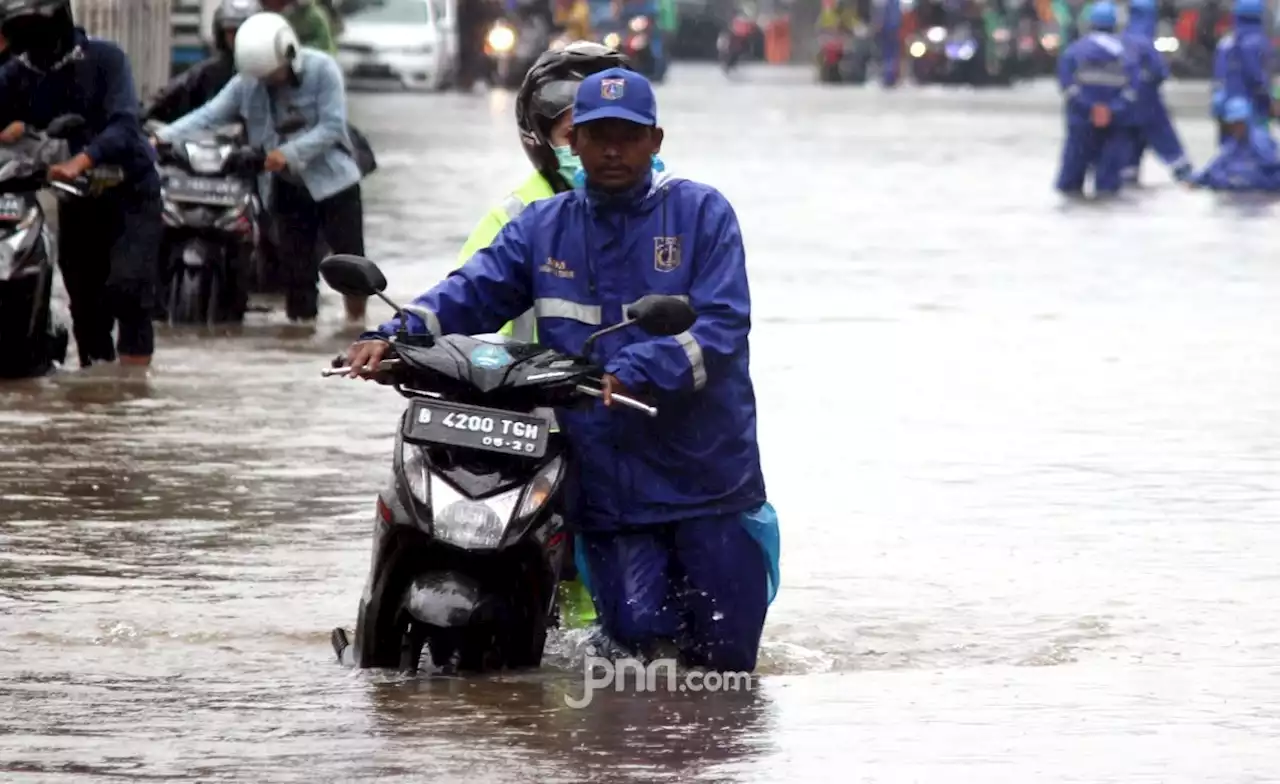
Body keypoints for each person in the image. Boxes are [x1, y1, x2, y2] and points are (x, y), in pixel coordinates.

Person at [343, 68, 780, 673]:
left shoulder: (702, 215)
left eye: (626, 136)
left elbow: (723, 327)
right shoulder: (541, 227)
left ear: (655, 141)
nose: (610, 150)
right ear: (571, 142)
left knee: (728, 668)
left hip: (707, 478)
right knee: (637, 652)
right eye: (596, 135)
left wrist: (636, 369)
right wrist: (392, 335)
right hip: (610, 483)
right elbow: (471, 290)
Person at [454, 41, 632, 629]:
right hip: (524, 425)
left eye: (611, 130)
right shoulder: (512, 216)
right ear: (544, 138)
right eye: (575, 131)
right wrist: (400, 337)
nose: (594, 147)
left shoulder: (668, 212)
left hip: (619, 418)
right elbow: (460, 301)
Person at [155, 11, 368, 324]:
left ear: (289, 56)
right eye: (263, 78)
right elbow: (209, 115)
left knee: (352, 265)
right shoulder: (247, 83)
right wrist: (161, 137)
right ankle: (301, 332)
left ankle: (356, 324)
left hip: (334, 183)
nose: (270, 83)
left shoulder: (323, 70)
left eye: (275, 75)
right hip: (286, 187)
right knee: (296, 272)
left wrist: (286, 154)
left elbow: (332, 127)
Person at [0, 0, 162, 369]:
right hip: (75, 201)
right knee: (86, 308)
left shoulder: (106, 59)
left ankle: (133, 392)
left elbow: (124, 124)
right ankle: (97, 390)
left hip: (131, 194)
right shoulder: (17, 73)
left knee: (129, 290)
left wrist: (80, 161)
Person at [1054, 1, 1138, 197]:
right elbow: (1133, 91)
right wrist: (1110, 109)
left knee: (1070, 184)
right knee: (1108, 186)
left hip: (1080, 122)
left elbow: (1067, 87)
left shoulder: (1074, 51)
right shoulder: (1127, 54)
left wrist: (1091, 108)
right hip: (1115, 124)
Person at [144, 0, 262, 124]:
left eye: (243, 30)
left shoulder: (271, 72)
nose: (237, 37)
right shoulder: (209, 73)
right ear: (221, 33)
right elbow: (169, 98)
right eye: (231, 31)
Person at [1120, 0, 1191, 184]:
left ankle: (1127, 182)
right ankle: (1186, 177)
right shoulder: (1146, 42)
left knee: (1128, 152)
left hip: (1123, 106)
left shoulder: (1122, 40)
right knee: (1170, 147)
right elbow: (1160, 71)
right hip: (1149, 105)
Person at [1188, 96, 1280, 191]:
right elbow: (1218, 162)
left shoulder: (1260, 140)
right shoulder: (1234, 142)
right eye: (1233, 123)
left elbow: (1271, 163)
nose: (1235, 127)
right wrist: (1196, 179)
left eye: (1239, 122)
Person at [1211, 0, 1272, 139]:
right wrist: (1268, 99)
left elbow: (1218, 75)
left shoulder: (1225, 43)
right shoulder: (1257, 42)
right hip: (1251, 105)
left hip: (1225, 105)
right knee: (1255, 148)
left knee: (1229, 149)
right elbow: (1257, 76)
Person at [261, 0, 336, 54]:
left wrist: (300, 47)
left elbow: (323, 43)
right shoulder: (290, 16)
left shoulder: (316, 15)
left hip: (323, 55)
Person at [875, 0, 902, 87]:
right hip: (888, 31)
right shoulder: (891, 3)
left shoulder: (893, 3)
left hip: (891, 31)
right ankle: (888, 76)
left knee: (890, 55)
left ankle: (890, 76)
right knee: (889, 55)